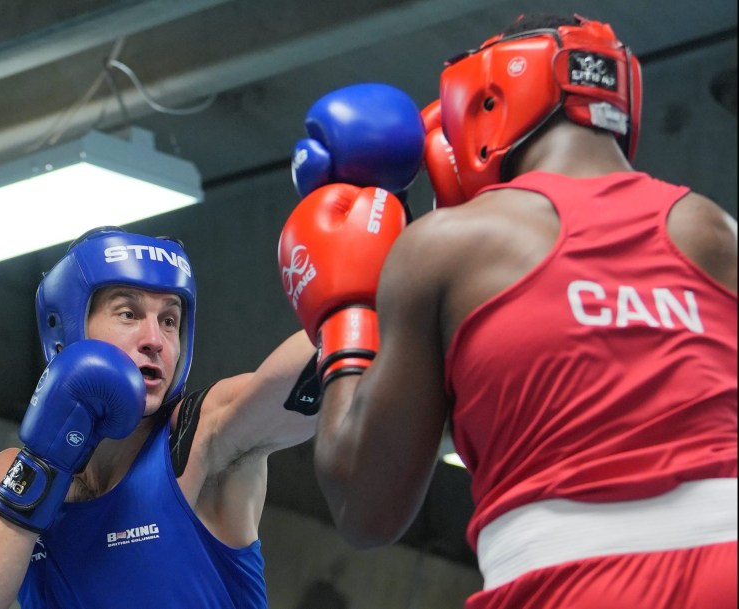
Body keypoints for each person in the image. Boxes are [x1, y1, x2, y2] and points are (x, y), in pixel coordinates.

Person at [279, 13, 737, 609]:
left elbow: (366, 510)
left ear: (485, 104)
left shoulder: (448, 246)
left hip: (571, 583)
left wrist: (349, 310)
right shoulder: (715, 230)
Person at [0, 226, 322, 609]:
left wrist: (353, 316)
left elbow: (277, 391)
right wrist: (47, 464)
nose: (154, 341)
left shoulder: (198, 436)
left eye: (169, 321)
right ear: (69, 330)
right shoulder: (6, 475)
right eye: (128, 314)